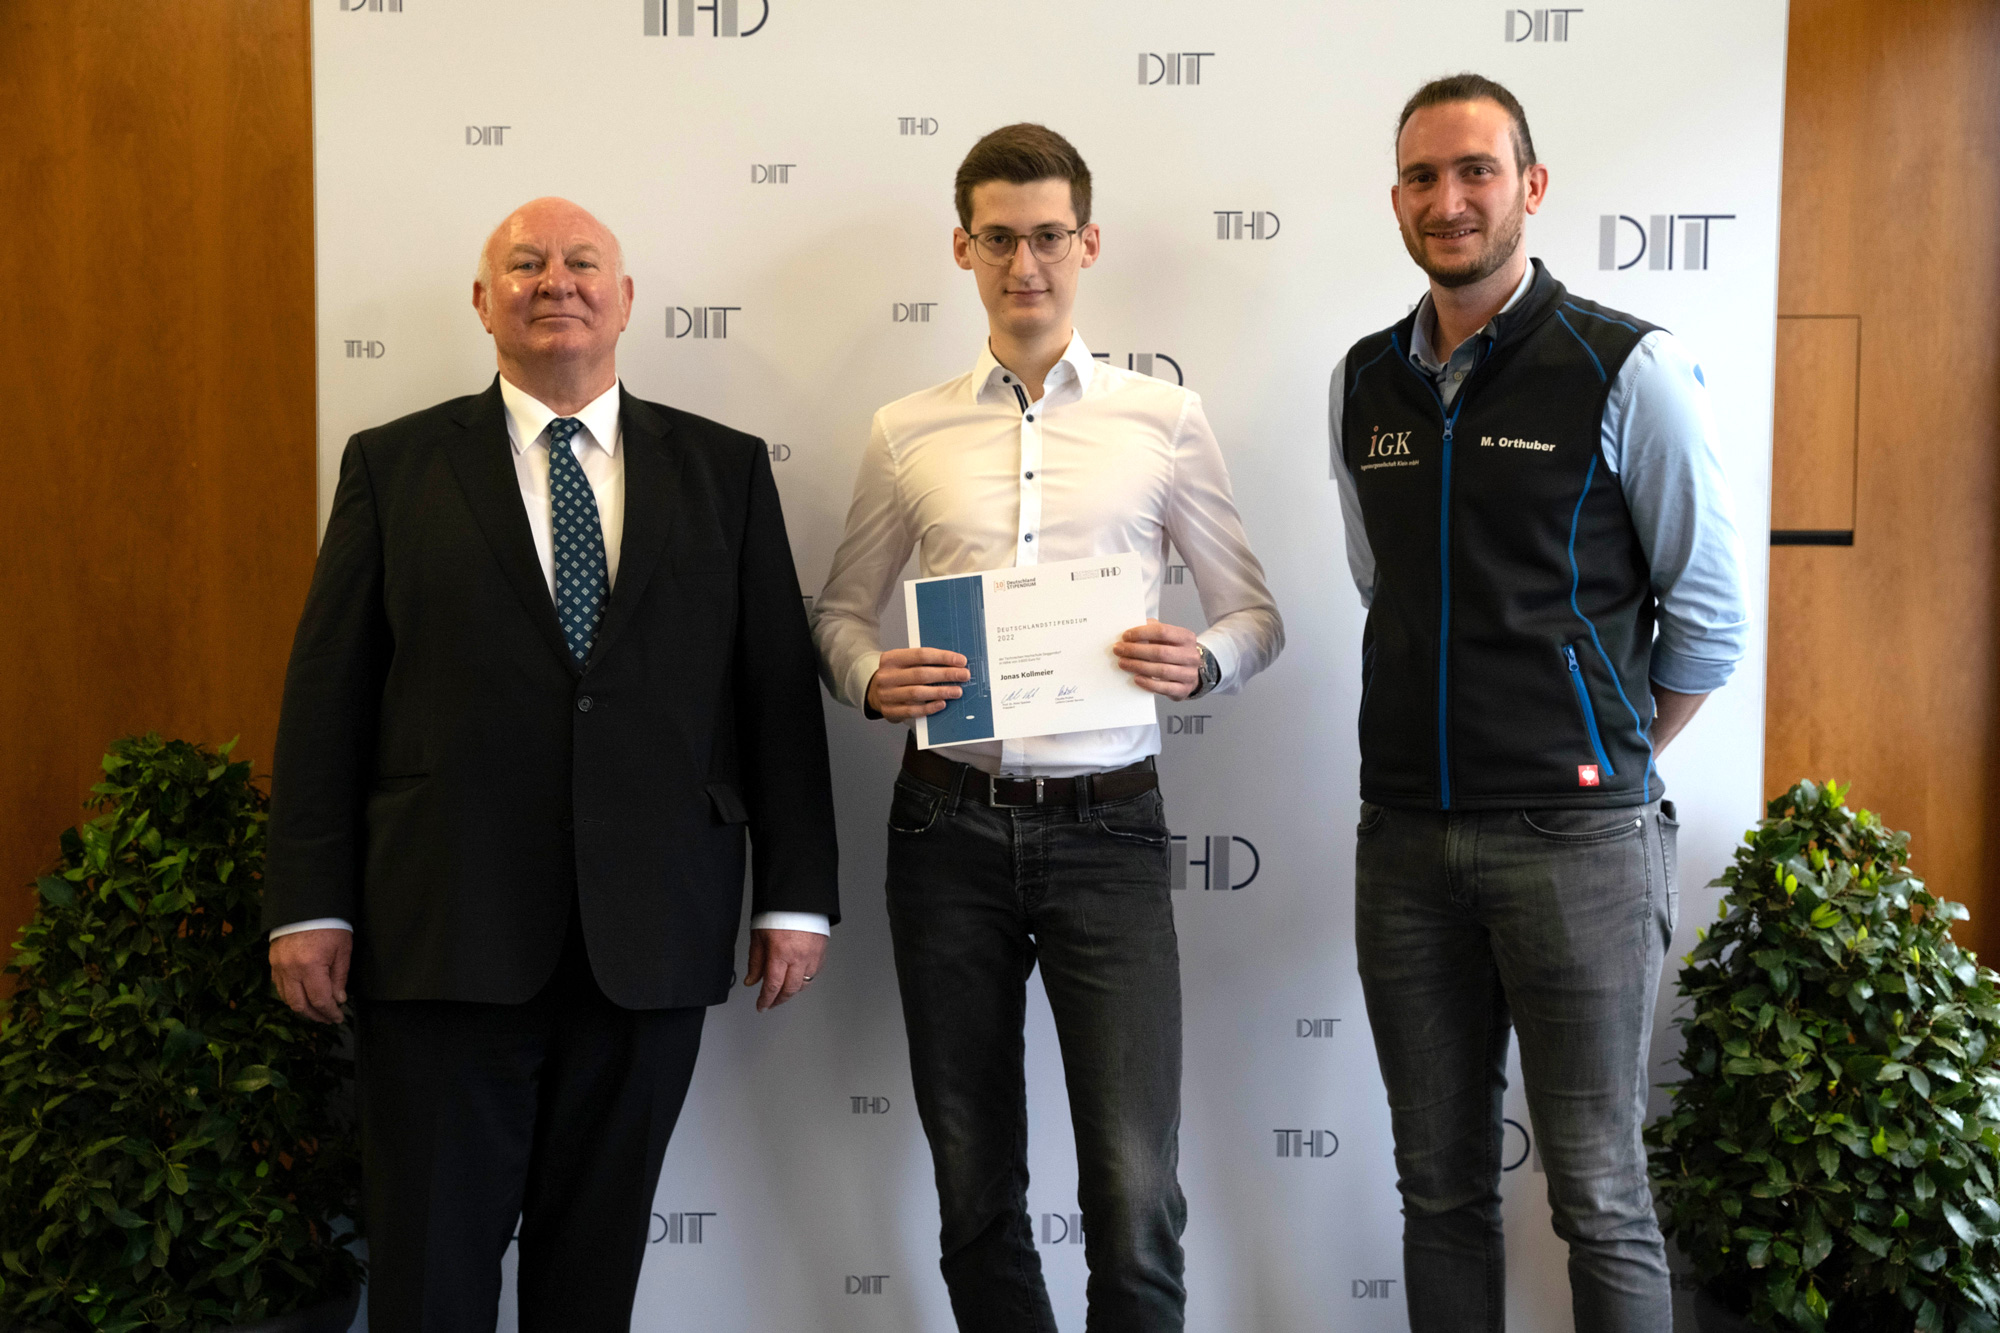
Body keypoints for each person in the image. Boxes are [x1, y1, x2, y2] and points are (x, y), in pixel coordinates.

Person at [263, 197, 838, 1332]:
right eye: (525, 264)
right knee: (430, 1272)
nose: (555, 281)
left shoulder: (723, 470)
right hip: (442, 932)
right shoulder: (393, 464)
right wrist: (308, 903)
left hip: (651, 929)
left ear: (624, 301)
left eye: (582, 263)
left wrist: (795, 895)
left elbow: (774, 693)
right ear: (484, 302)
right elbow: (328, 699)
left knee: (593, 1275)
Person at [813, 123, 1283, 1332]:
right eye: (999, 239)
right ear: (961, 248)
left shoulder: (1162, 418)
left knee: (1132, 1188)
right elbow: (838, 615)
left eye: (1047, 237)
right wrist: (868, 678)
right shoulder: (903, 430)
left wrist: (1202, 658)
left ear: (1087, 243)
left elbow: (1253, 613)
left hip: (1106, 831)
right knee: (974, 1181)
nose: (1024, 264)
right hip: (945, 826)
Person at [1330, 75, 1750, 1331]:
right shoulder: (1362, 380)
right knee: (1437, 1190)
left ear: (1530, 186)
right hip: (1403, 843)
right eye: (1421, 176)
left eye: (1475, 170)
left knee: (1600, 1194)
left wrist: (1603, 750)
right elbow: (1381, 583)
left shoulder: (1625, 364)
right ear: (1395, 199)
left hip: (1578, 842)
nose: (1447, 199)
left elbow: (1708, 621)